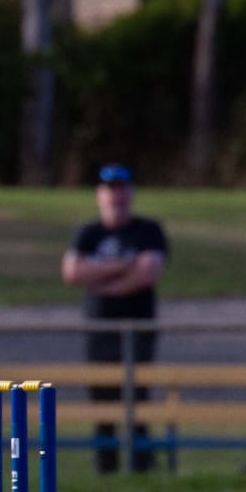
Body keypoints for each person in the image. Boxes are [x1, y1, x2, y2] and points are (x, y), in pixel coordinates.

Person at [61, 164, 168, 473]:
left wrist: (101, 279)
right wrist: (125, 265)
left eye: (121, 188)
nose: (116, 195)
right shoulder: (88, 233)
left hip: (139, 329)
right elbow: (72, 272)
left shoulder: (148, 230)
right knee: (102, 403)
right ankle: (105, 469)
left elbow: (148, 272)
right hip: (100, 330)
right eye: (109, 189)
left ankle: (141, 466)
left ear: (131, 192)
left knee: (138, 400)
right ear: (99, 194)